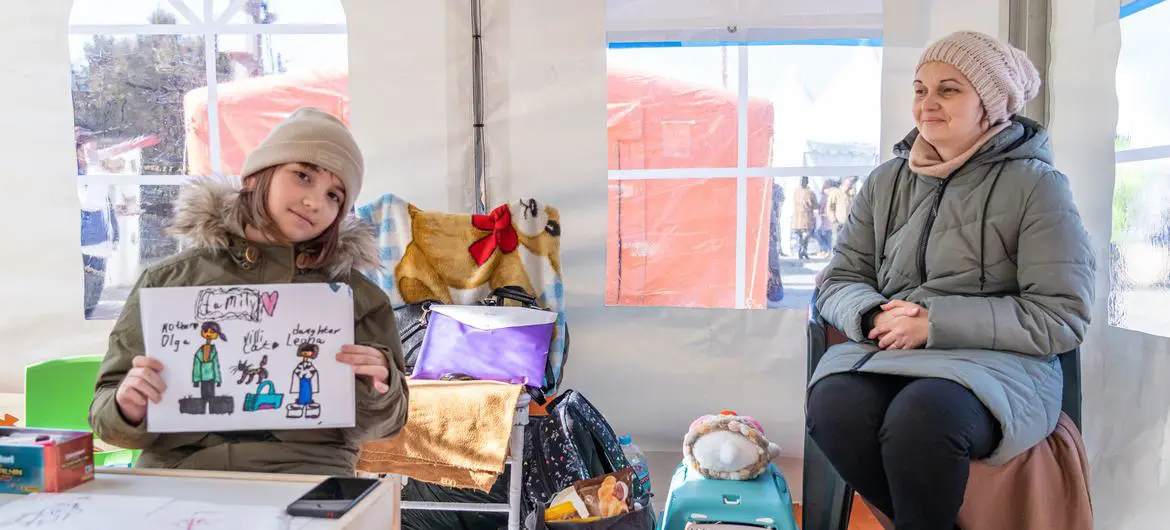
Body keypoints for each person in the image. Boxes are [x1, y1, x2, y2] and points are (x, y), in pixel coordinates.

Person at [805, 31, 1094, 529]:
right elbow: (841, 279)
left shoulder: (1037, 186)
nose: (928, 103)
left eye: (949, 89)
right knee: (833, 408)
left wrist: (933, 324)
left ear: (991, 103)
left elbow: (1060, 316)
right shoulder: (885, 181)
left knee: (923, 419)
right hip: (889, 352)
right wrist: (874, 313)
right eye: (920, 89)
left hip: (998, 365)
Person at [88, 108, 409, 476]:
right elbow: (105, 417)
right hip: (180, 473)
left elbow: (385, 427)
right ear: (256, 177)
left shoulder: (356, 297)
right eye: (303, 176)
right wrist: (127, 406)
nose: (315, 202)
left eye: (334, 195)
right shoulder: (169, 281)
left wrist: (378, 387)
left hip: (307, 477)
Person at [790, 176, 818, 260]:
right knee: (802, 235)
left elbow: (814, 204)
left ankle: (802, 250)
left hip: (803, 217)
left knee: (803, 235)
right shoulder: (803, 192)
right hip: (802, 217)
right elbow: (815, 205)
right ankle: (802, 250)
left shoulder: (805, 192)